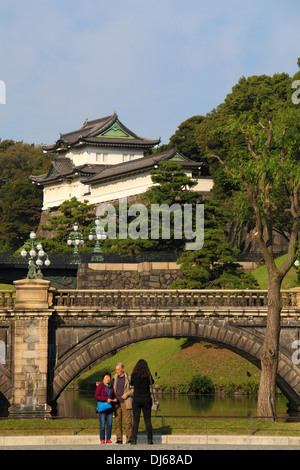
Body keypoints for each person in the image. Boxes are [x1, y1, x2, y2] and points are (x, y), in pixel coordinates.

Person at [130, 359, 154, 445]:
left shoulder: (134, 375)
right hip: (146, 398)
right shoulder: (148, 376)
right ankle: (150, 440)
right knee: (147, 420)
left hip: (136, 399)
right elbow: (152, 382)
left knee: (136, 420)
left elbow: (131, 383)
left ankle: (133, 440)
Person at [111, 362, 133, 444]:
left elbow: (133, 389)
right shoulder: (114, 378)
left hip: (125, 402)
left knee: (128, 421)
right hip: (116, 403)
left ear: (123, 369)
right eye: (116, 370)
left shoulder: (128, 378)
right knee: (117, 421)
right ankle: (119, 439)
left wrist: (127, 394)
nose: (117, 371)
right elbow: (110, 388)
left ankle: (129, 439)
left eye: (118, 370)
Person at [95, 372, 117, 444]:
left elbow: (112, 395)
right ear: (103, 378)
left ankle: (108, 439)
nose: (108, 379)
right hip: (102, 408)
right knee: (102, 425)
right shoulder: (100, 386)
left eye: (109, 377)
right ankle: (102, 439)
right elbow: (97, 396)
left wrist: (114, 399)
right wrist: (105, 399)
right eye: (106, 377)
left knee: (110, 424)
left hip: (109, 408)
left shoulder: (111, 386)